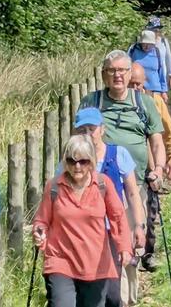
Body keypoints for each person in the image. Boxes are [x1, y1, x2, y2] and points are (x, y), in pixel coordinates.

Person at [79, 50, 166, 306]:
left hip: (132, 184)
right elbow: (77, 139)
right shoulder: (91, 102)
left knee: (127, 243)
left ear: (130, 74)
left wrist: (158, 169)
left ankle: (125, 299)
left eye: (122, 70)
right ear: (104, 75)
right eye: (111, 71)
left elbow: (157, 141)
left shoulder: (144, 104)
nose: (117, 75)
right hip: (92, 186)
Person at [56, 107, 147, 307]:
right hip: (78, 236)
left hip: (110, 233)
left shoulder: (118, 154)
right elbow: (55, 195)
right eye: (82, 130)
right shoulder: (68, 163)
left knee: (113, 294)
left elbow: (132, 193)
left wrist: (138, 226)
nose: (87, 134)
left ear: (102, 129)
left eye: (92, 128)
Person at [32, 134, 132, 307]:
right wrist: (39, 232)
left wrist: (124, 248)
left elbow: (118, 217)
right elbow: (42, 220)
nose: (77, 166)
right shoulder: (54, 186)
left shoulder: (102, 184)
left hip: (95, 265)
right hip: (60, 261)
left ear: (91, 162)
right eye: (71, 161)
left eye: (83, 161)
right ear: (65, 161)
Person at [129, 62, 171, 272]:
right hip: (125, 170)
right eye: (131, 84)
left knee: (150, 214)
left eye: (138, 84)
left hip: (149, 170)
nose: (135, 89)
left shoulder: (155, 102)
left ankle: (148, 254)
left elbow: (170, 133)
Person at [128, 30, 168, 102]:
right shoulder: (133, 50)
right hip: (137, 88)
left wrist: (164, 91)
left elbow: (161, 73)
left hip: (155, 90)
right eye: (144, 44)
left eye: (149, 44)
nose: (147, 46)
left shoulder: (157, 52)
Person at [145, 16, 171, 91]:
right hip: (148, 78)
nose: (157, 32)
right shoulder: (144, 43)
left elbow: (169, 59)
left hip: (162, 78)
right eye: (154, 30)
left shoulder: (163, 42)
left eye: (158, 30)